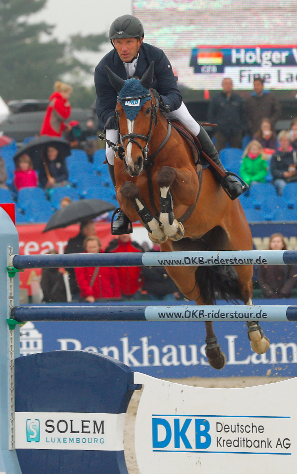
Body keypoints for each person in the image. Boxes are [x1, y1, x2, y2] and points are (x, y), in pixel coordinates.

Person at [95, 15, 247, 235]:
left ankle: (224, 175)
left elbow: (173, 93)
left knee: (192, 125)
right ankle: (122, 208)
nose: (123, 47)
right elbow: (104, 107)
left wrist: (160, 104)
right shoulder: (104, 68)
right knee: (110, 152)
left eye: (128, 41)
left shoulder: (156, 56)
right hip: (126, 118)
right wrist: (119, 120)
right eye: (118, 42)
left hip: (160, 107)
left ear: (140, 40)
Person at [74, 236, 121, 302]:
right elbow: (81, 280)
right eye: (90, 247)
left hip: (108, 298)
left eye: (94, 247)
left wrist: (117, 297)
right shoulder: (81, 261)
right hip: (91, 299)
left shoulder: (107, 260)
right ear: (86, 248)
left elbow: (114, 279)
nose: (92, 250)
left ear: (99, 247)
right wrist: (89, 294)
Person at [64, 221, 99, 301]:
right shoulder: (74, 245)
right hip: (78, 288)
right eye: (92, 229)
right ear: (85, 230)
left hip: (93, 289)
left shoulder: (73, 244)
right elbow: (68, 266)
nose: (95, 232)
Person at [207, 77, 245, 151]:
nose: (228, 86)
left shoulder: (238, 98)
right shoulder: (216, 99)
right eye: (226, 84)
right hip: (221, 132)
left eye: (230, 84)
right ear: (222, 85)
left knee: (236, 152)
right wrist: (216, 128)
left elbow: (243, 114)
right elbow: (211, 115)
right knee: (218, 153)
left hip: (235, 132)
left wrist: (240, 128)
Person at [257, 234, 297, 299]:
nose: (276, 244)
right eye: (273, 241)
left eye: (278, 242)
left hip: (285, 297)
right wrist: (269, 293)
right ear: (270, 244)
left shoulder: (288, 258)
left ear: (283, 244)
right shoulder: (264, 258)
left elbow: (292, 277)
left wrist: (283, 292)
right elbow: (261, 278)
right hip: (268, 297)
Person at [105, 234, 143, 300]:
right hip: (118, 291)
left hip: (135, 290)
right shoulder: (111, 249)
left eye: (126, 232)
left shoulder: (138, 249)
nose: (124, 235)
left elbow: (143, 270)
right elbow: (107, 272)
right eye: (122, 233)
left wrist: (141, 285)